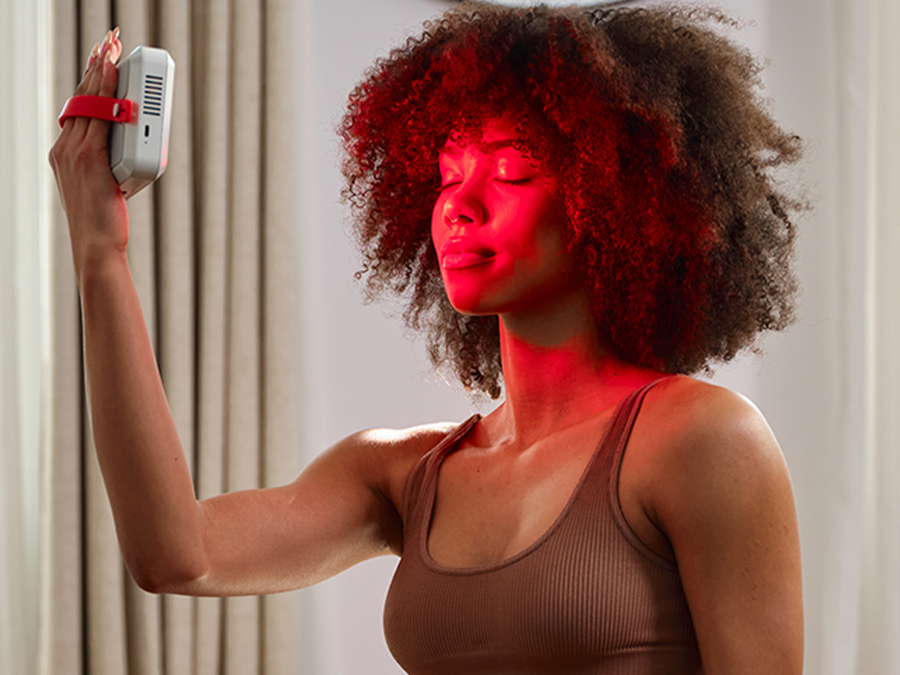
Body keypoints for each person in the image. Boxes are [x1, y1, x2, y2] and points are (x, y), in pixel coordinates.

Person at [49, 3, 804, 674]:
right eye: (447, 175)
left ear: (616, 199)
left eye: (511, 173)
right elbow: (176, 554)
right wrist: (100, 254)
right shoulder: (404, 472)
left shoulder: (702, 438)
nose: (459, 207)